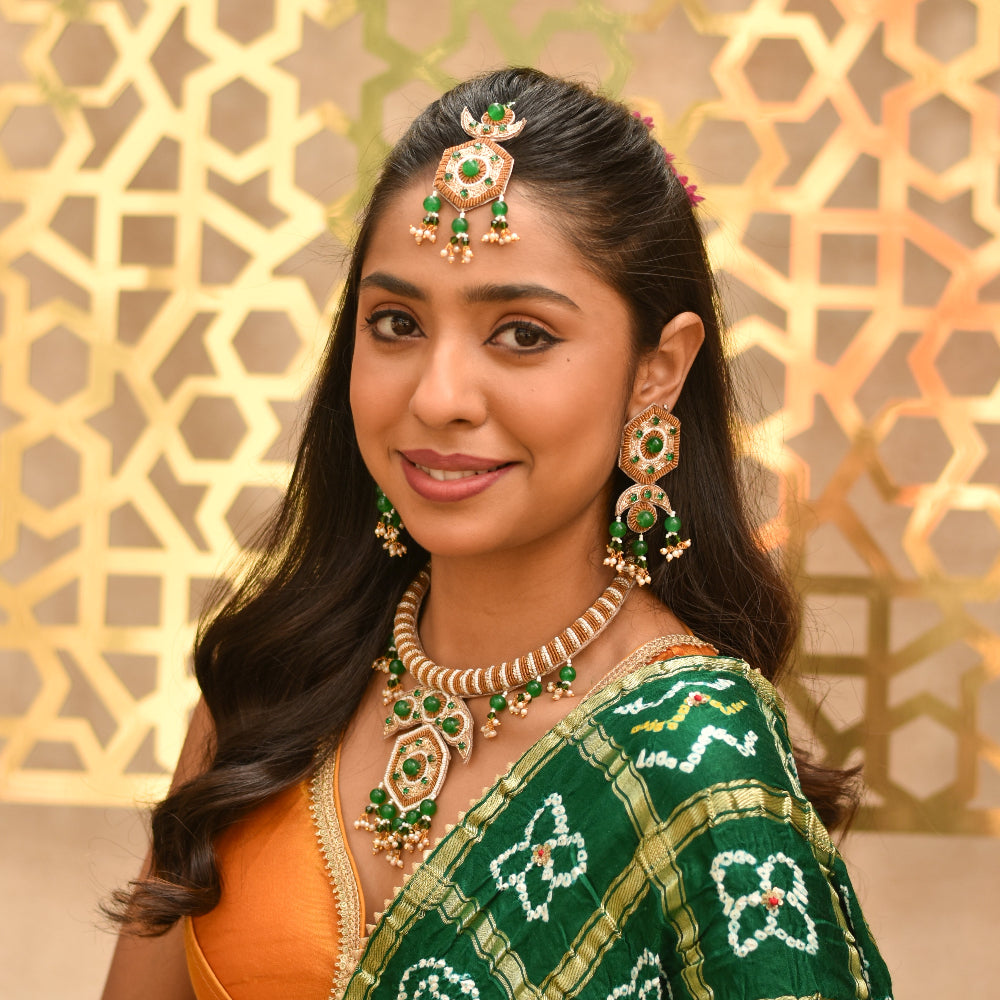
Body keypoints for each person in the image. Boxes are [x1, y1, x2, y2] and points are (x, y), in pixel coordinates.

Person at [102, 67, 893, 999]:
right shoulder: (269, 690)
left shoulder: (696, 759)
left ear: (658, 370)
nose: (438, 396)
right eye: (396, 323)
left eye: (522, 335)